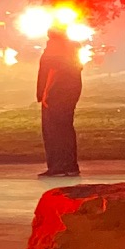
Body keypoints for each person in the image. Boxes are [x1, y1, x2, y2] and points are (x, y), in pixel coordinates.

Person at [36, 26, 83, 177]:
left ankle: (58, 166)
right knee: (66, 128)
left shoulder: (54, 48)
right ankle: (70, 165)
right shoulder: (72, 48)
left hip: (57, 94)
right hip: (71, 92)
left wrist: (45, 93)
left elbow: (53, 71)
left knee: (53, 130)